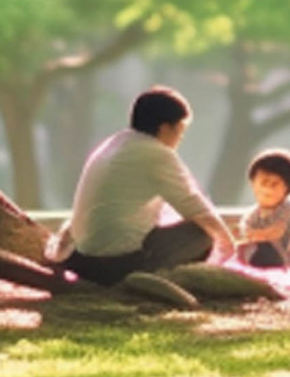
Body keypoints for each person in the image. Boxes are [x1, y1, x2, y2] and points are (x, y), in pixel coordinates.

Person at [56, 86, 237, 286]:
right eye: (180, 131)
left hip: (81, 259)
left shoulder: (115, 143)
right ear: (165, 128)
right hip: (114, 265)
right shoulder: (156, 153)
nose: (180, 139)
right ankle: (150, 279)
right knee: (200, 234)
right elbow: (193, 204)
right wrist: (227, 242)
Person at [234, 149, 290, 271]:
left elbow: (276, 232)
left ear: (287, 188)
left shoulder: (288, 208)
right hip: (268, 256)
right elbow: (245, 231)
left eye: (274, 184)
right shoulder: (253, 214)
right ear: (253, 184)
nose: (268, 189)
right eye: (264, 182)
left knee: (264, 249)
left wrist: (255, 235)